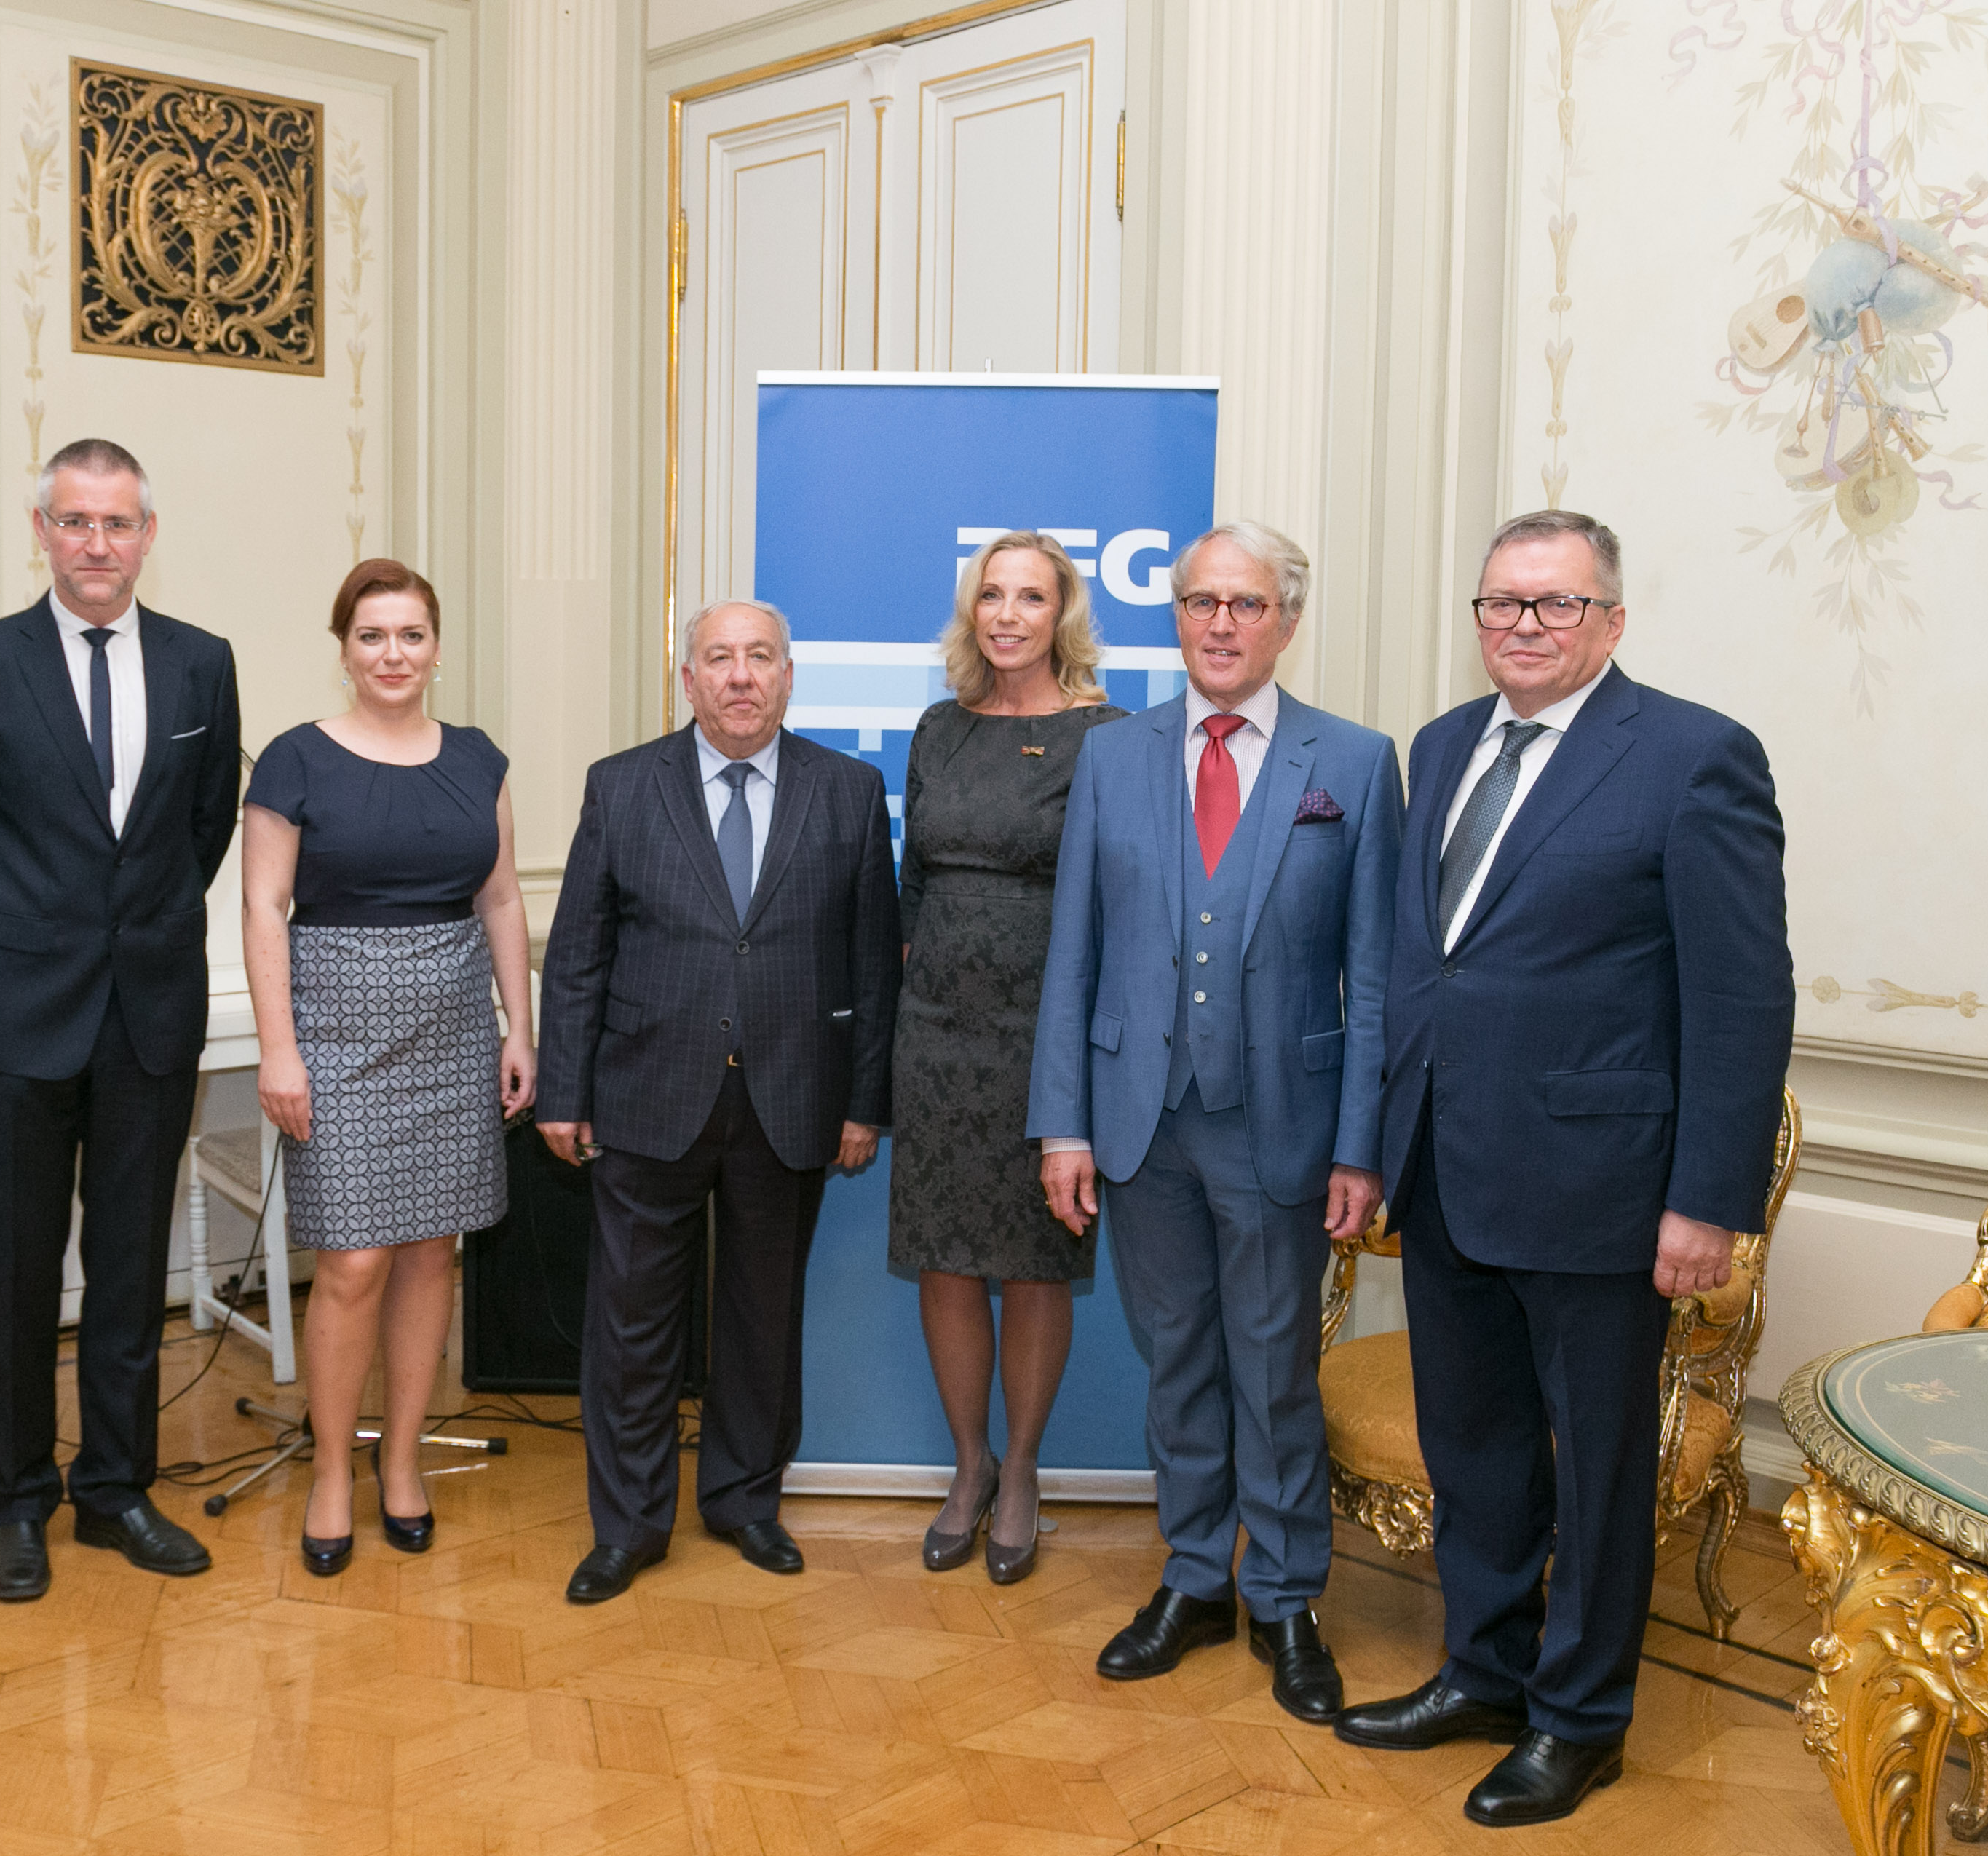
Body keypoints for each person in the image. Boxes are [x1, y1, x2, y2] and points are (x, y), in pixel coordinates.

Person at [1333, 511, 1791, 1825]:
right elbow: (1430, 969)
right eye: (1500, 605)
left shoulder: (1694, 757)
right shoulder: (1437, 747)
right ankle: (1481, 1672)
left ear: (1611, 621)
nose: (1522, 627)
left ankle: (1579, 1719)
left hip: (1602, 1190)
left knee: (1593, 1469)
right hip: (1445, 1170)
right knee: (1472, 1444)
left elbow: (1742, 999)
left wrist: (1708, 1201)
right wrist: (1374, 1142)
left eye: (1553, 605)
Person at [1030, 521, 1401, 1724]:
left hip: (1281, 1128)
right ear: (1175, 616)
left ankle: (1285, 1598)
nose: (1222, 624)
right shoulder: (1113, 758)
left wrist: (1361, 1144)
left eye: (1247, 604)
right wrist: (1062, 1128)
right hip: (1140, 1129)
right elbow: (1072, 955)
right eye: (1201, 603)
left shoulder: (1351, 761)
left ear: (1287, 620)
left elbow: (1376, 974)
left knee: (1273, 1374)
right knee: (1176, 1364)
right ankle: (1194, 1578)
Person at [0, 437, 243, 1601]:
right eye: (74, 522)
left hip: (148, 1015)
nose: (96, 544)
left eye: (117, 524)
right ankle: (17, 1500)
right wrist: (21, 929)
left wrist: (123, 933)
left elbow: (202, 834)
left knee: (127, 1269)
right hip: (14, 1020)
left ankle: (114, 1492)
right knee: (16, 1277)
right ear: (41, 531)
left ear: (148, 535)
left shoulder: (204, 666)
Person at [538, 598, 902, 1603]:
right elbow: (577, 956)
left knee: (760, 1316)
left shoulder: (850, 790)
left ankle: (744, 1500)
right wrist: (562, 1092)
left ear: (788, 676)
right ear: (686, 679)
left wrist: (864, 1103)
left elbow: (874, 962)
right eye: (718, 660)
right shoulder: (621, 787)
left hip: (793, 1100)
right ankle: (628, 1526)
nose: (740, 677)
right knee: (631, 1323)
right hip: (645, 1095)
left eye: (759, 659)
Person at [243, 559, 534, 1575]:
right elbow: (260, 909)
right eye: (373, 636)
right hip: (331, 1028)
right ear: (344, 651)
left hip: (454, 1023)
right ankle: (332, 1469)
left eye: (411, 634)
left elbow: (500, 901)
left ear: (437, 648)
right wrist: (278, 1047)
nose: (393, 654)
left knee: (428, 1254)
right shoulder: (293, 760)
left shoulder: (478, 759)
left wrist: (519, 1027)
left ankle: (400, 1463)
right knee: (354, 1260)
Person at [892, 531, 1126, 1584]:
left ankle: (1024, 1469)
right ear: (970, 610)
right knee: (944, 1255)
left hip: (1047, 1031)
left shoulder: (1105, 735)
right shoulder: (938, 730)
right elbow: (911, 884)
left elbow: (1121, 898)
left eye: (1030, 597)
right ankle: (968, 1464)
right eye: (992, 595)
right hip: (935, 1027)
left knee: (1034, 1261)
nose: (1007, 615)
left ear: (1061, 614)